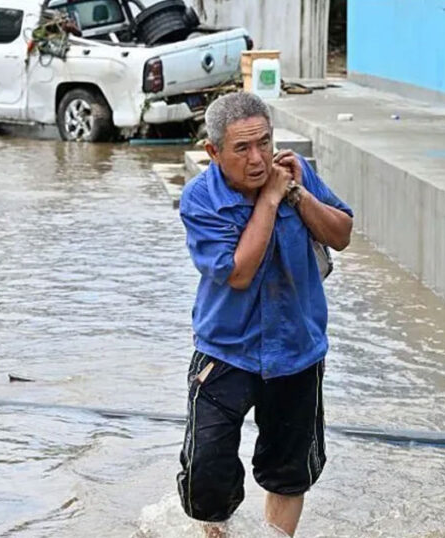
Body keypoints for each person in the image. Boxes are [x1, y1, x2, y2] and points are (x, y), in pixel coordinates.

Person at [176, 92, 353, 537]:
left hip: (296, 348)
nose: (258, 159)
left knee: (289, 468)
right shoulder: (200, 200)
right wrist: (271, 200)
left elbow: (343, 233)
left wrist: (295, 192)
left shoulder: (294, 174)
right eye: (242, 149)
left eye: (265, 143)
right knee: (205, 471)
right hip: (226, 351)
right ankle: (217, 530)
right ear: (213, 152)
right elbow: (238, 273)